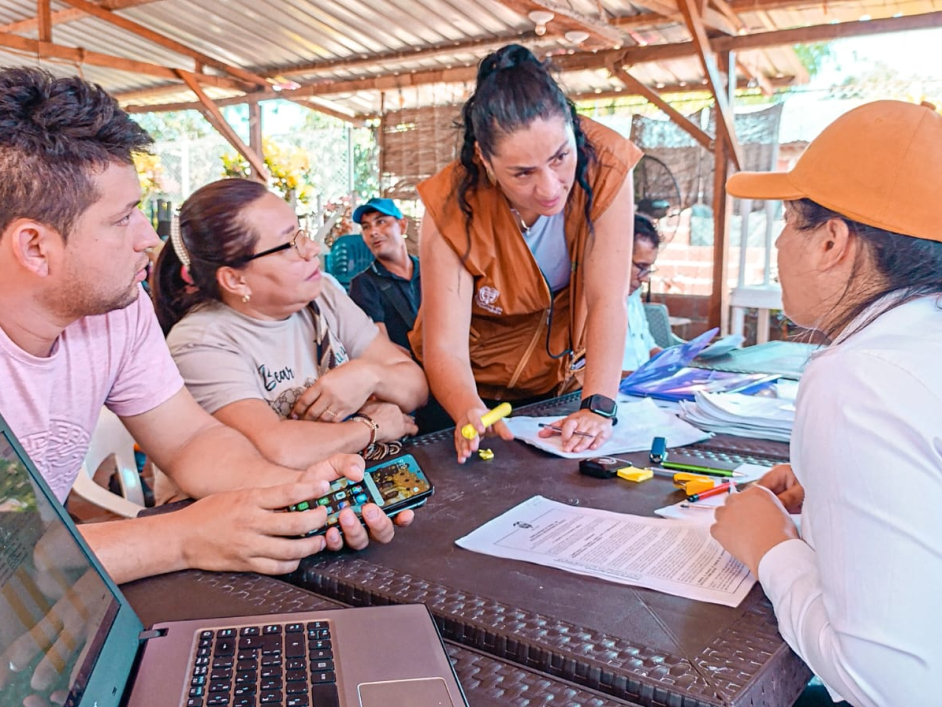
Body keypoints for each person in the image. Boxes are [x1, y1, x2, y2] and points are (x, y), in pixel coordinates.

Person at [0, 67, 408, 586]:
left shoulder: (118, 312)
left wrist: (299, 493)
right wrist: (182, 535)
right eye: (123, 218)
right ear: (35, 246)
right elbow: (11, 557)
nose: (149, 239)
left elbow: (190, 440)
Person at [711, 100, 942, 707]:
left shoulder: (858, 380)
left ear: (832, 242)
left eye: (790, 220)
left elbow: (889, 686)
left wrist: (770, 545)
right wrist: (827, 499)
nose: (779, 241)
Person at [409, 44, 643, 462]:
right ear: (484, 160)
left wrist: (597, 407)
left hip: (557, 389)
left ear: (572, 129)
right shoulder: (450, 203)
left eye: (561, 157)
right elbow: (444, 345)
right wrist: (466, 408)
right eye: (522, 174)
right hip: (468, 392)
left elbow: (607, 299)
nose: (550, 188)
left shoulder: (607, 167)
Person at [152, 179, 427, 473]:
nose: (312, 249)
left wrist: (368, 375)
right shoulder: (201, 342)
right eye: (288, 244)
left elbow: (416, 386)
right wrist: (372, 427)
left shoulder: (322, 295)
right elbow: (277, 449)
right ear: (235, 280)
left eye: (301, 233)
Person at [348, 197, 421, 354]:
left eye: (381, 222)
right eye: (366, 227)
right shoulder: (364, 284)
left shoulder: (429, 271)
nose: (373, 232)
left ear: (402, 226)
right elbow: (381, 348)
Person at [621, 213, 663, 373]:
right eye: (641, 267)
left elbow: (648, 347)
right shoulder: (586, 305)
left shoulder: (634, 293)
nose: (645, 278)